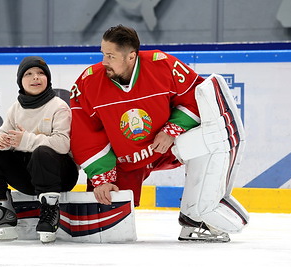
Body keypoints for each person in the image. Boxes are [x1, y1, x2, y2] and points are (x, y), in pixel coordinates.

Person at [69, 25, 249, 242]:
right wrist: (102, 178)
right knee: (106, 230)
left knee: (212, 136)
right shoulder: (89, 82)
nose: (103, 62)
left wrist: (172, 130)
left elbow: (198, 98)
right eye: (102, 54)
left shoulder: (163, 65)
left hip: (166, 147)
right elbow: (85, 134)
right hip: (123, 161)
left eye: (110, 56)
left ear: (131, 56)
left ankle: (195, 217)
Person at [0, 56, 79, 243]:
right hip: (29, 177)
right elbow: (1, 135)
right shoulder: (15, 109)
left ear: (48, 79)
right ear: (20, 81)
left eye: (40, 73)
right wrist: (2, 142)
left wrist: (25, 140)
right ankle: (3, 211)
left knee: (41, 152)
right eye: (28, 74)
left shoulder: (59, 107)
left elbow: (63, 144)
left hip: (61, 176)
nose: (35, 77)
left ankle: (50, 209)